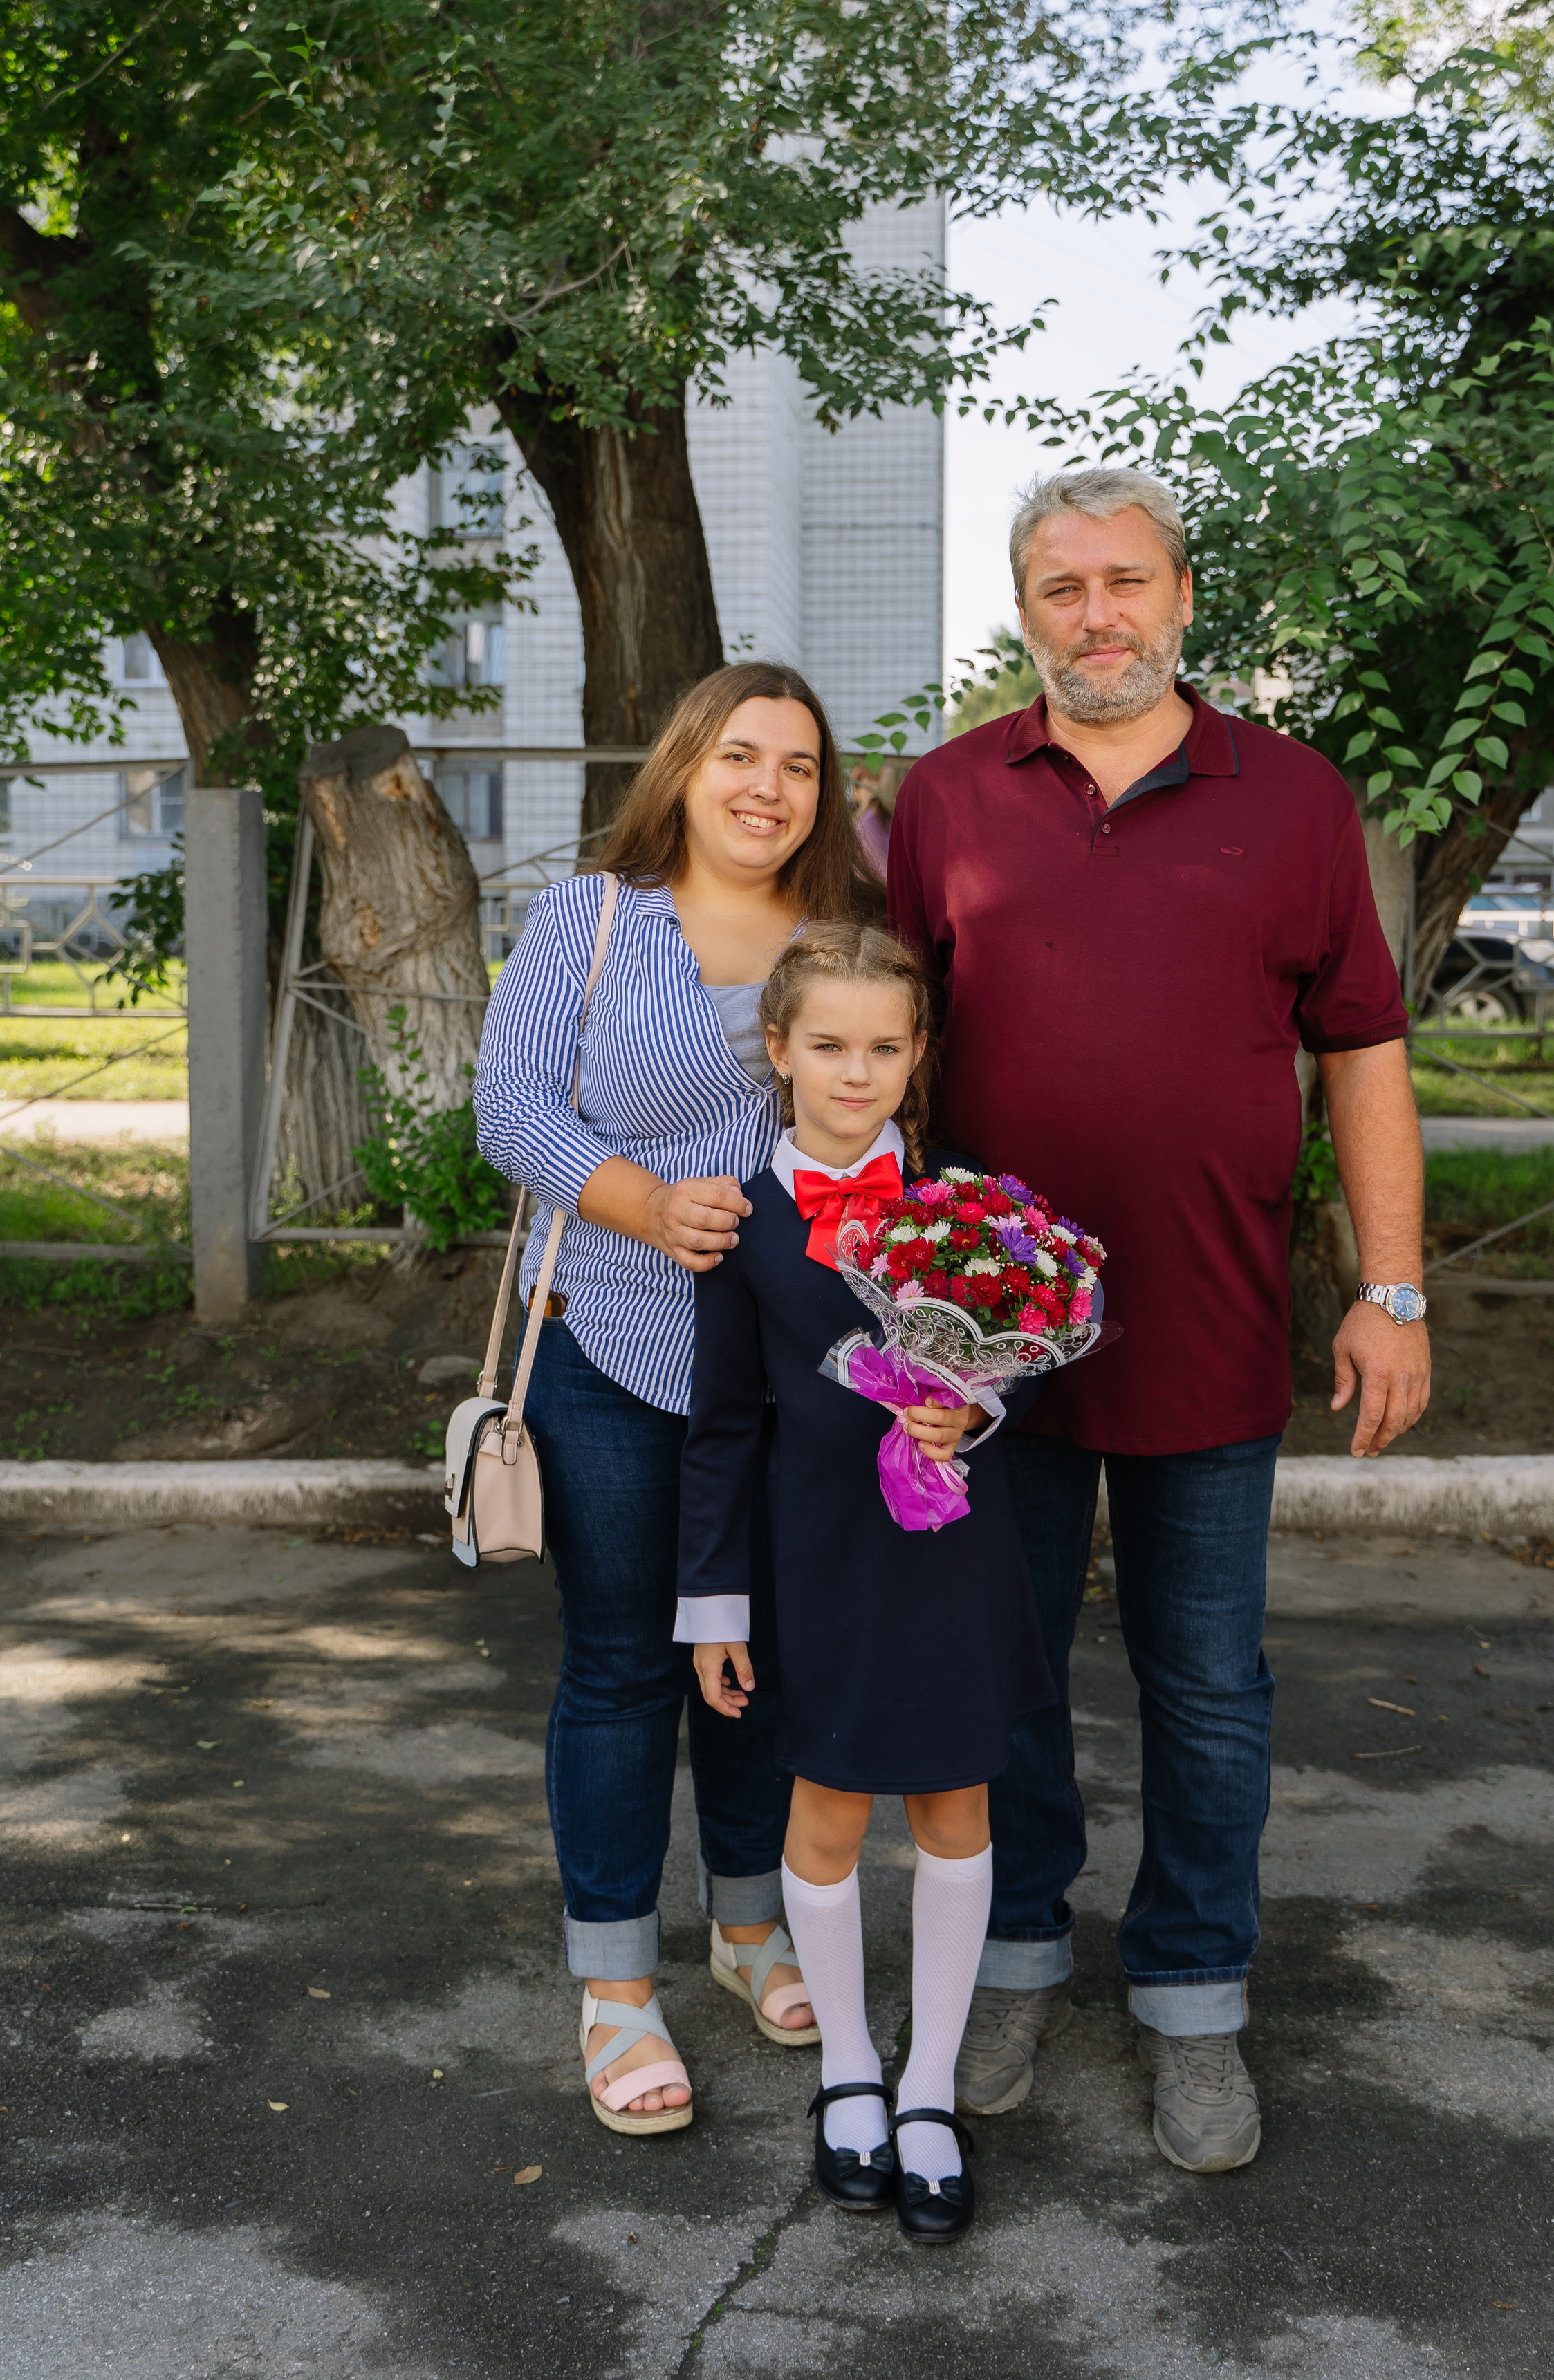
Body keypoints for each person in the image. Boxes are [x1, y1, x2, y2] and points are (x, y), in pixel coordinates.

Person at [887, 465, 1430, 2173]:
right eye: (1061, 588)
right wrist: (891, 1313)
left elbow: (1360, 1056)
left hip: (1208, 1313)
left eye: (1125, 581)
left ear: (1181, 597)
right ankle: (1017, 1962)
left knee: (1205, 1683)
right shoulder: (947, 797)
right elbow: (878, 1057)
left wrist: (1389, 1288)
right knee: (1007, 1667)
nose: (1095, 615)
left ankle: (1193, 1993)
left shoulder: (1291, 798)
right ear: (1022, 607)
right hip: (988, 1346)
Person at [474, 661, 881, 2136]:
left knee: (756, 1654)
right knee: (625, 1664)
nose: (768, 786)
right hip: (610, 1346)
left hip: (785, 1368)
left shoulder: (841, 943)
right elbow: (507, 1107)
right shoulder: (589, 919)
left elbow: (882, 1111)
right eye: (739, 756)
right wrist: (643, 1203)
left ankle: (746, 1926)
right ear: (685, 769)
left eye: (798, 766)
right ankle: (613, 1988)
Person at [678, 923, 1055, 2243]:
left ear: (918, 1055)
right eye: (828, 1046)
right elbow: (724, 1421)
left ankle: (930, 2088)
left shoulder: (968, 1200)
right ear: (776, 1051)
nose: (856, 1072)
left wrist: (976, 1414)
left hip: (949, 1550)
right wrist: (714, 1603)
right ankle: (849, 2069)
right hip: (817, 1559)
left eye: (884, 1048)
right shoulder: (737, 1216)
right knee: (828, 1812)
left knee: (956, 1803)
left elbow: (1011, 1365)